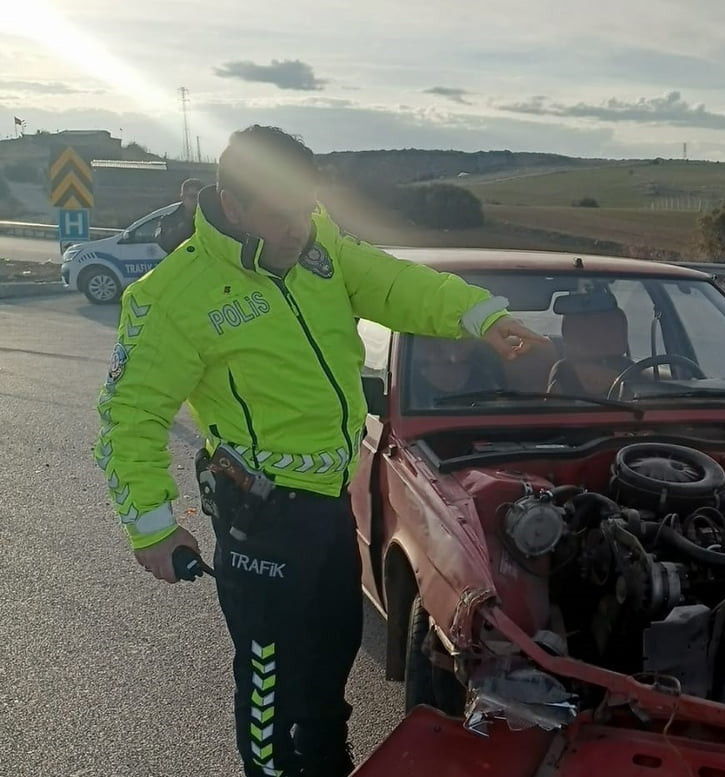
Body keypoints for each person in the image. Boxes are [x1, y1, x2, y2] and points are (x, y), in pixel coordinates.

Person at [91, 124, 547, 777]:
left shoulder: (318, 249)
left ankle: (328, 763)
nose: (296, 227)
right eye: (279, 212)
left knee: (331, 654)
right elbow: (127, 416)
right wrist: (151, 527)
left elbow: (394, 284)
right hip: (262, 522)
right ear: (233, 202)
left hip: (332, 507)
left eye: (303, 208)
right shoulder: (171, 298)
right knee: (269, 687)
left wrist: (480, 316)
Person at [155, 177, 205, 253]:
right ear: (183, 198)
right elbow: (166, 243)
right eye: (193, 197)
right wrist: (188, 223)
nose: (196, 201)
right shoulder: (169, 220)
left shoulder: (211, 219)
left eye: (199, 197)